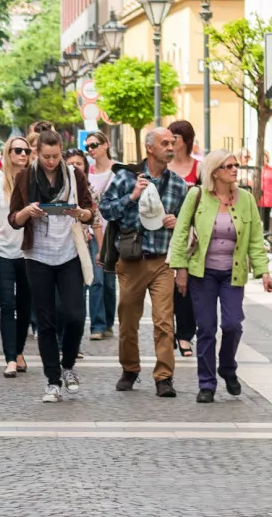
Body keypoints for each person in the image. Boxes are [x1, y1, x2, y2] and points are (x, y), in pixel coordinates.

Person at [169, 150, 272, 403]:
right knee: (206, 328)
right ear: (214, 171)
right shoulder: (197, 196)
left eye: (235, 165)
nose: (234, 169)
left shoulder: (246, 199)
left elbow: (254, 239)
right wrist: (180, 269)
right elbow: (181, 233)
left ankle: (227, 367)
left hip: (232, 272)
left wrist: (264, 272)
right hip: (201, 273)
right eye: (228, 166)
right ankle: (206, 384)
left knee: (231, 324)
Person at [99, 127, 186, 397]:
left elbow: (187, 224)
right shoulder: (127, 177)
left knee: (164, 321)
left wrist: (177, 221)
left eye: (172, 143)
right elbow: (105, 208)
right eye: (165, 143)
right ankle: (130, 368)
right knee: (127, 321)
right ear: (150, 148)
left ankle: (164, 376)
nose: (171, 148)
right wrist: (132, 197)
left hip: (162, 261)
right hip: (132, 259)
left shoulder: (178, 184)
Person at [9, 130, 95, 403]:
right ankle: (52, 381)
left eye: (55, 156)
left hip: (69, 252)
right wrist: (26, 212)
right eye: (45, 156)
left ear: (61, 152)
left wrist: (82, 214)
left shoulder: (74, 175)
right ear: (37, 153)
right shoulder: (25, 177)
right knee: (45, 320)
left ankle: (68, 363)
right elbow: (14, 218)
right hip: (37, 256)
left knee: (75, 314)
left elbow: (89, 210)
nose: (50, 161)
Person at [0, 136, 32, 378]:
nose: (23, 154)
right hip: (4, 250)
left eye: (26, 150)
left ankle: (19, 351)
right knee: (6, 304)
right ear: (8, 153)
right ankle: (10, 358)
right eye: (18, 150)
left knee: (25, 306)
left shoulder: (34, 183)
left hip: (29, 252)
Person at [66, 148, 105, 348]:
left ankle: (98, 326)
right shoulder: (60, 189)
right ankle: (75, 337)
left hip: (88, 240)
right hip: (68, 243)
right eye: (70, 163)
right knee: (76, 290)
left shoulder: (91, 192)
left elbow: (96, 221)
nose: (74, 167)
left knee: (97, 281)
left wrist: (100, 249)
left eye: (78, 164)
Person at [166, 120, 199, 359]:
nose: (170, 143)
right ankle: (168, 334)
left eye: (174, 138)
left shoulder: (199, 168)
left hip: (191, 238)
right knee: (165, 290)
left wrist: (185, 223)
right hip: (164, 234)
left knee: (186, 287)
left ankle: (185, 335)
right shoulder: (163, 168)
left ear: (185, 140)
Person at [85, 131, 119, 339]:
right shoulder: (86, 173)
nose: (91, 150)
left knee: (109, 281)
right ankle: (97, 326)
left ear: (106, 145)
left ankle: (107, 321)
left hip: (114, 232)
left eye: (94, 144)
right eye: (88, 146)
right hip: (93, 230)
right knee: (96, 279)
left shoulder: (118, 171)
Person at [258, 151, 272, 236]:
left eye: (265, 157)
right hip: (259, 198)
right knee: (258, 218)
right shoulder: (257, 170)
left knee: (266, 218)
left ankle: (266, 236)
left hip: (269, 198)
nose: (263, 159)